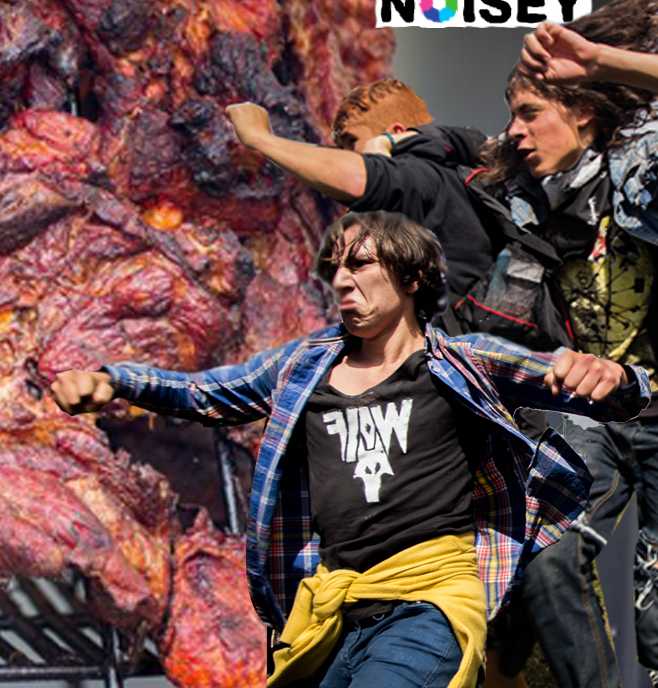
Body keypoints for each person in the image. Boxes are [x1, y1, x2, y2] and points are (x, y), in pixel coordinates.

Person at [51, 210, 651, 688]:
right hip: (334, 605)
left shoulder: (462, 363)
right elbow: (205, 392)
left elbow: (607, 390)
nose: (341, 281)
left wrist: (610, 376)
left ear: (412, 278)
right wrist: (114, 382)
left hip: (429, 600)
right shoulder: (303, 366)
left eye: (361, 265)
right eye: (335, 268)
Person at [493, 0, 658, 685]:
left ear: (583, 111)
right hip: (597, 412)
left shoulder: (643, 173)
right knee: (547, 552)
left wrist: (596, 60)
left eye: (530, 114)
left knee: (655, 612)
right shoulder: (530, 203)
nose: (516, 132)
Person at [225, 84, 492, 313]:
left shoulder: (420, 175)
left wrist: (260, 138)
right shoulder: (454, 181)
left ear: (396, 133)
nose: (348, 154)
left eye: (352, 143)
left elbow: (358, 179)